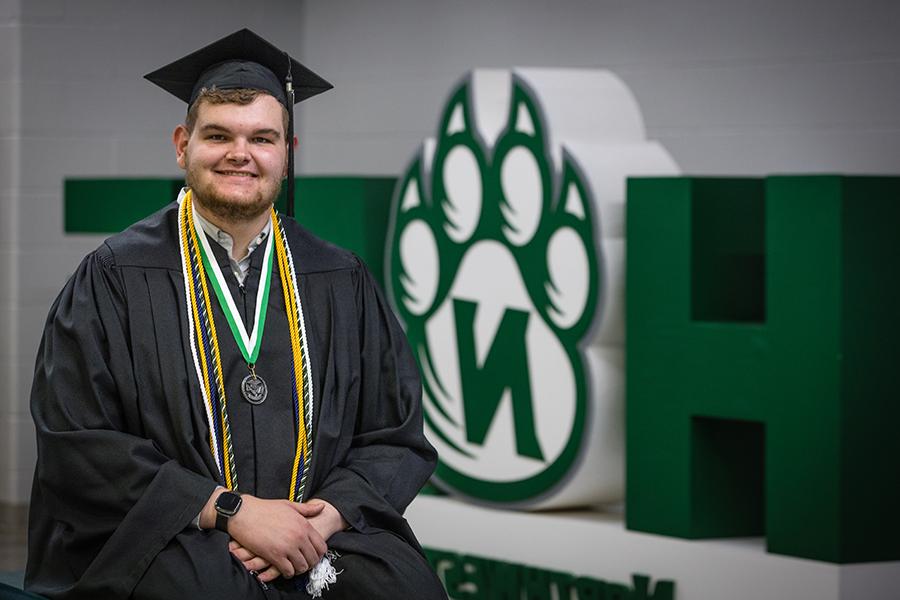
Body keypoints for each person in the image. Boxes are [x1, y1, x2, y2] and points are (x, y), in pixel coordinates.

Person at [25, 29, 447, 600]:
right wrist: (228, 510)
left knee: (400, 586)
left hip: (314, 532)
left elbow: (394, 434)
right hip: (172, 532)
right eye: (218, 135)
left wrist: (323, 519)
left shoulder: (338, 277)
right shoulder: (115, 276)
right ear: (182, 144)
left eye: (262, 138)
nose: (240, 154)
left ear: (287, 154)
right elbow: (76, 440)